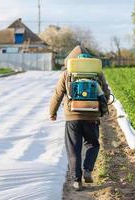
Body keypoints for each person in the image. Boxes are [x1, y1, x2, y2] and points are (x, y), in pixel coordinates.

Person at [49, 45, 110, 191]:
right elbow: (106, 94)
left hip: (72, 117)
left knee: (73, 149)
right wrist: (100, 109)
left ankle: (77, 180)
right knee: (93, 144)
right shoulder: (97, 73)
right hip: (92, 116)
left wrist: (53, 112)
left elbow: (57, 95)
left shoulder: (66, 74)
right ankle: (88, 169)